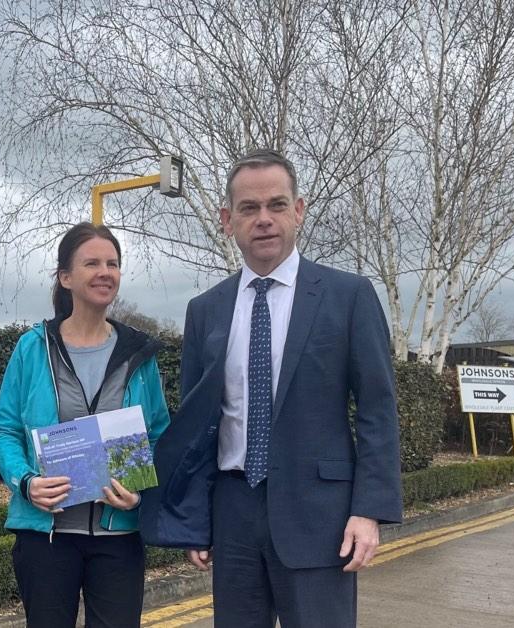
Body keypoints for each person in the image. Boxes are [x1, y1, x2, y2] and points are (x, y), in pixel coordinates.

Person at [141, 149, 402, 627]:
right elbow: (200, 427)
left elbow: (378, 411)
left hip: (321, 518)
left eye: (277, 205)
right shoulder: (206, 310)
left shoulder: (349, 296)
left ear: (298, 211)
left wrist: (369, 511)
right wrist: (195, 523)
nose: (264, 219)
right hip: (233, 516)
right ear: (227, 219)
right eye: (249, 208)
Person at [0, 222, 171, 628]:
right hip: (47, 537)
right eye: (92, 263)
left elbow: (159, 435)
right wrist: (25, 482)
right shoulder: (32, 347)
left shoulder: (139, 354)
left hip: (118, 535)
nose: (105, 271)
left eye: (113, 263)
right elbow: (5, 431)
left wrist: (139, 492)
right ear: (66, 277)